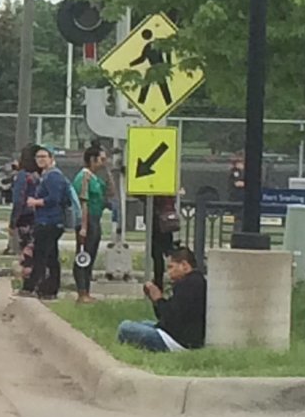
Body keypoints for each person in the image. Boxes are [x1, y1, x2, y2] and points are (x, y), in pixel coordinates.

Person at [117, 248, 207, 352]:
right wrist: (156, 300)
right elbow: (165, 316)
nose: (168, 272)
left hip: (177, 341)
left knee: (125, 327)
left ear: (184, 265)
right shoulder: (194, 281)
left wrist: (158, 299)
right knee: (144, 323)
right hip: (175, 334)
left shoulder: (189, 284)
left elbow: (170, 317)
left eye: (171, 267)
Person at [25, 146, 80, 299]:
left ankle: (32, 287)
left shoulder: (53, 176)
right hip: (47, 220)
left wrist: (35, 202)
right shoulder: (45, 175)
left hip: (50, 221)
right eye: (38, 157)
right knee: (50, 256)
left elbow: (54, 199)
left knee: (41, 256)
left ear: (51, 158)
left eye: (44, 156)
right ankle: (49, 289)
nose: (40, 159)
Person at [71, 145, 110, 303]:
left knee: (91, 255)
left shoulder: (95, 177)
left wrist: (108, 170)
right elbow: (83, 203)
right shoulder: (84, 177)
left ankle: (87, 290)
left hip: (96, 218)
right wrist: (84, 226)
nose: (104, 162)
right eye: (101, 159)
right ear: (93, 159)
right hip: (87, 219)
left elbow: (110, 191)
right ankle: (81, 291)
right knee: (83, 255)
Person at [9, 145, 41, 285]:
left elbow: (18, 200)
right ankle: (38, 280)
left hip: (25, 218)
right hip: (40, 216)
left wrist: (13, 222)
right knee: (37, 250)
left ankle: (28, 283)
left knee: (26, 252)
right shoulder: (40, 175)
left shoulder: (22, 176)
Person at [151, 195, 180, 289]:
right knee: (168, 252)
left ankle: (159, 282)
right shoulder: (169, 190)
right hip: (168, 222)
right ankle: (174, 278)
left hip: (158, 224)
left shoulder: (156, 193)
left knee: (157, 255)